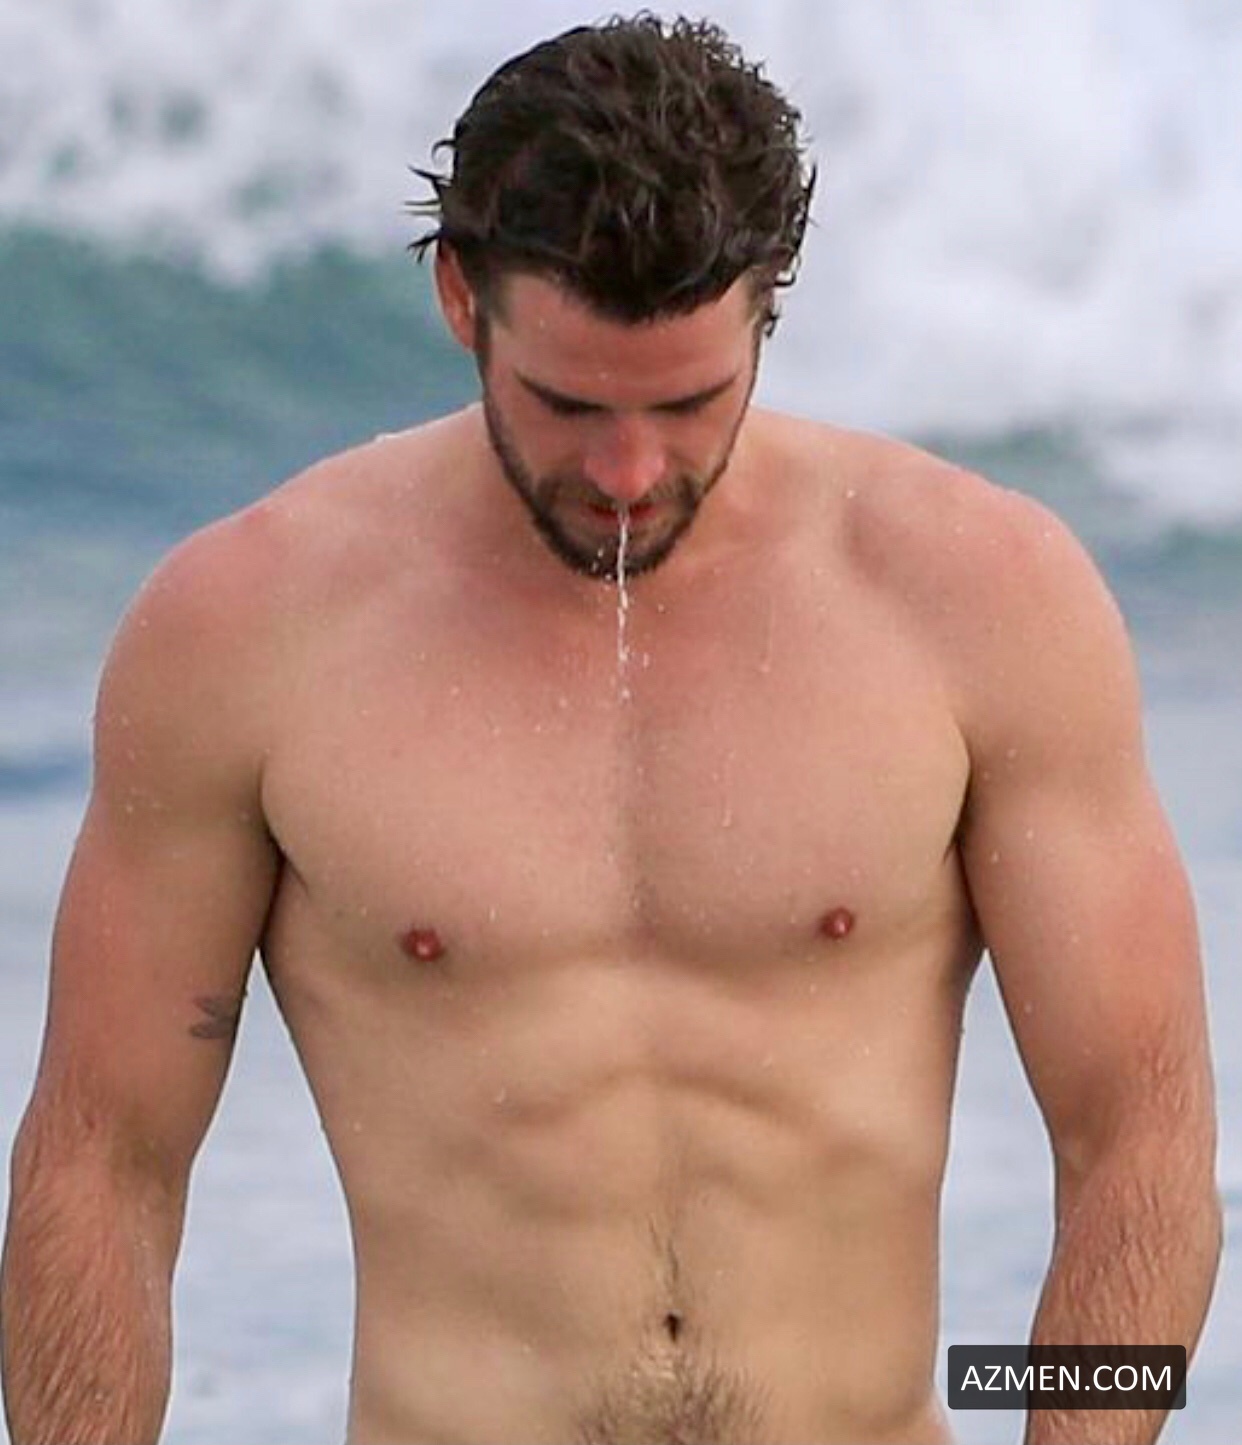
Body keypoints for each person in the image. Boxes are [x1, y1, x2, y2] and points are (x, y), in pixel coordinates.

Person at [0, 14, 1220, 1445]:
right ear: (461, 299)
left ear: (768, 308)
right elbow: (106, 1167)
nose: (630, 471)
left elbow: (1136, 1136)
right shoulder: (247, 629)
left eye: (690, 403)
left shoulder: (980, 598)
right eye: (568, 404)